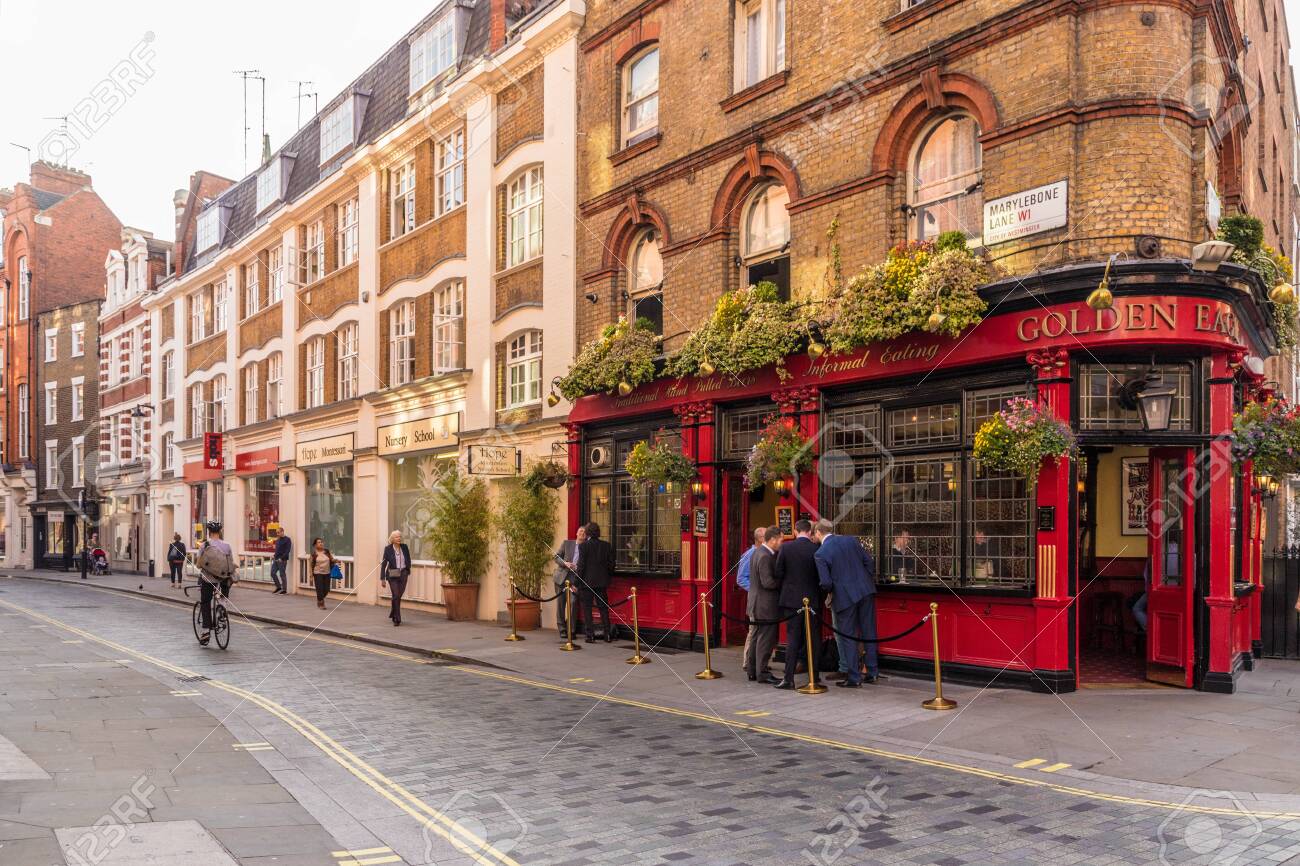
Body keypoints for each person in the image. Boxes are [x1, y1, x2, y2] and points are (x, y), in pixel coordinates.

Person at [814, 518, 879, 687]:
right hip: (866, 591)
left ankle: (854, 677)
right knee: (869, 632)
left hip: (844, 597)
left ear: (818, 533)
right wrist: (865, 579)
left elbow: (826, 583)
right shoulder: (850, 540)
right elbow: (869, 562)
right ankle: (872, 672)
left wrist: (830, 592)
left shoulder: (820, 553)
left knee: (848, 636)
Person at [774, 519, 822, 689]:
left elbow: (778, 572)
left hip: (791, 600)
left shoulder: (786, 548)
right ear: (809, 532)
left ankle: (788, 678)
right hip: (813, 600)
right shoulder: (816, 548)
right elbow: (821, 576)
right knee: (813, 639)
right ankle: (814, 677)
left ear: (795, 531)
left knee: (793, 639)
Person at [744, 527, 782, 683]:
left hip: (755, 602)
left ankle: (752, 670)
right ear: (772, 539)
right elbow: (768, 583)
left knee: (755, 638)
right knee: (765, 639)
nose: (781, 543)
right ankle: (763, 672)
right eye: (780, 539)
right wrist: (783, 582)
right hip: (765, 605)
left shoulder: (756, 552)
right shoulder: (766, 556)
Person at [195, 520, 236, 646]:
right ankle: (222, 606)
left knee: (205, 602)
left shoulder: (204, 545)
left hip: (208, 579)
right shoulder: (227, 546)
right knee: (225, 588)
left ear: (209, 532)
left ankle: (206, 631)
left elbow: (198, 563)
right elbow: (231, 563)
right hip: (223, 578)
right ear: (220, 532)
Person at [575, 521, 614, 643]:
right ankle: (607, 634)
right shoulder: (607, 546)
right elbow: (611, 565)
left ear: (587, 533)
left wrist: (576, 582)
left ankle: (590, 635)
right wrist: (607, 577)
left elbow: (581, 566)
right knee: (603, 608)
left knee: (587, 609)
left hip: (587, 582)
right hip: (602, 582)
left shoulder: (583, 546)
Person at [736, 527, 765, 674]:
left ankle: (758, 661)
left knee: (762, 631)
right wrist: (755, 590)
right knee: (754, 630)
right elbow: (741, 578)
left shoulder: (763, 553)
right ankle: (747, 662)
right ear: (760, 539)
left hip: (763, 599)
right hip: (756, 598)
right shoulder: (751, 554)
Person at [554, 526, 586, 637]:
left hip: (575, 580)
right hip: (561, 578)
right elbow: (556, 557)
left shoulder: (586, 548)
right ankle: (562, 629)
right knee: (561, 604)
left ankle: (571, 630)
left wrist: (577, 567)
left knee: (573, 603)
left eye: (585, 532)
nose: (583, 533)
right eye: (581, 531)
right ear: (577, 533)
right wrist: (565, 563)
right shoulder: (567, 543)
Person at [380, 530, 412, 626]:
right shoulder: (388, 549)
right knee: (396, 595)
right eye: (397, 537)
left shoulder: (404, 547)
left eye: (400, 536)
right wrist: (382, 579)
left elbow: (408, 559)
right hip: (393, 573)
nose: (399, 538)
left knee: (398, 596)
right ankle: (397, 619)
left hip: (403, 573)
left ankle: (393, 612)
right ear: (392, 539)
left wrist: (407, 569)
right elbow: (384, 564)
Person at [308, 537, 334, 610]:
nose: (321, 543)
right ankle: (321, 603)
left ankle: (319, 599)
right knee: (319, 589)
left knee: (326, 589)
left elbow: (331, 559)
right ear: (315, 545)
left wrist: (335, 560)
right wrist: (311, 575)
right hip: (317, 573)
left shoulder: (327, 551)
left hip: (327, 573)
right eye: (319, 542)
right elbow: (310, 565)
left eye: (321, 542)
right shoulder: (314, 554)